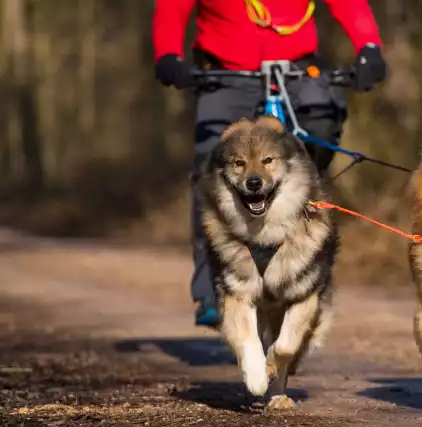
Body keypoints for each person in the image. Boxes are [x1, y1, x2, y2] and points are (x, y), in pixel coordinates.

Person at [152, 0, 387, 328]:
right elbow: (172, 8)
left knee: (320, 130)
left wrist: (369, 46)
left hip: (298, 71)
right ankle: (210, 288)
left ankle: (308, 261)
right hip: (226, 75)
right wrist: (168, 54)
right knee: (212, 169)